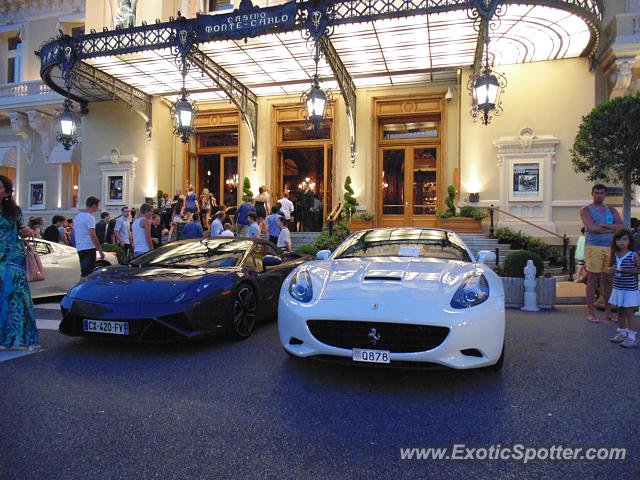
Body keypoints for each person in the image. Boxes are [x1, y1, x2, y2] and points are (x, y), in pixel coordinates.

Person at [0, 175, 40, 351]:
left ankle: (22, 338)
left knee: (18, 296)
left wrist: (27, 231)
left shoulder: (15, 211)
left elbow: (22, 230)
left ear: (6, 191)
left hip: (14, 257)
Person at [580, 184, 624, 323]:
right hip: (594, 247)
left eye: (602, 193)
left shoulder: (611, 210)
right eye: (596, 193)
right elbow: (592, 228)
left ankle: (608, 312)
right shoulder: (586, 210)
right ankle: (590, 313)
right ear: (592, 194)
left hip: (610, 247)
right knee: (593, 279)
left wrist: (603, 226)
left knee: (608, 280)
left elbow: (621, 226)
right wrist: (611, 229)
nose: (599, 195)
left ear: (605, 194)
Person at [608, 229, 640, 348]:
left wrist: (624, 271)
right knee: (620, 310)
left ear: (629, 241)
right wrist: (611, 271)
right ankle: (621, 332)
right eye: (618, 239)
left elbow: (639, 269)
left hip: (629, 289)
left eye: (624, 239)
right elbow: (612, 269)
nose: (621, 242)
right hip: (618, 287)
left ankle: (631, 337)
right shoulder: (615, 255)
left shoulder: (633, 255)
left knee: (629, 312)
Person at [74, 196, 105, 277]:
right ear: (94, 205)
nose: (98, 208)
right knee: (88, 273)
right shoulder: (90, 217)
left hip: (80, 247)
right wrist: (100, 250)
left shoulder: (77, 217)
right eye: (98, 205)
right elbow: (93, 235)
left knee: (84, 272)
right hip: (88, 247)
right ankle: (82, 288)